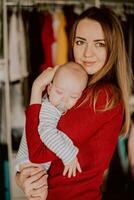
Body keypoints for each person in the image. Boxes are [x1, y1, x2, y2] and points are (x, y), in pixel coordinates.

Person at [15, 6, 132, 200]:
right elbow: (35, 145)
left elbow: (37, 152)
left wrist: (36, 89)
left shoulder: (102, 97)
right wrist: (21, 177)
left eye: (99, 44)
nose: (87, 53)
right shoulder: (76, 88)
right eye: (80, 42)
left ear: (113, 48)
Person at [15, 61, 88, 178]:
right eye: (59, 92)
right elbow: (47, 132)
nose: (64, 100)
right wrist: (68, 154)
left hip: (33, 163)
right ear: (49, 89)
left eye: (73, 97)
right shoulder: (48, 109)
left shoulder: (55, 105)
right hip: (30, 162)